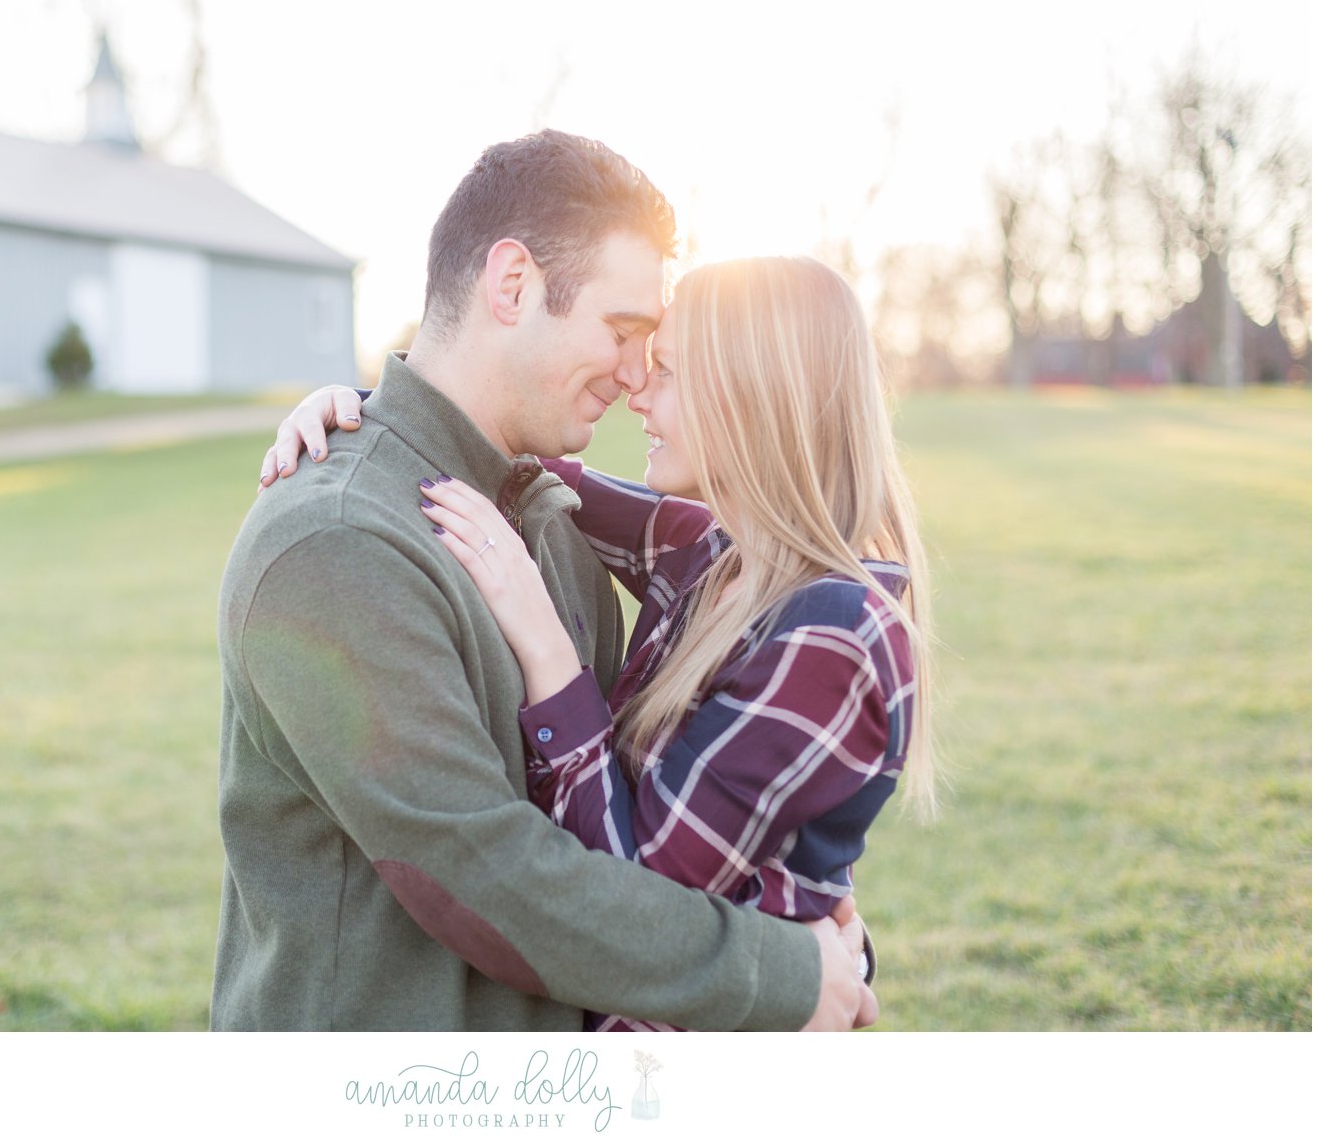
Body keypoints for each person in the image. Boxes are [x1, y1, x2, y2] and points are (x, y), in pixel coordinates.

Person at [213, 130, 874, 1031]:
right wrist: (778, 973)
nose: (638, 373)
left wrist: (801, 911)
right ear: (513, 284)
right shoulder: (333, 544)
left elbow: (628, 825)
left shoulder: (548, 523)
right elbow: (484, 872)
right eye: (621, 329)